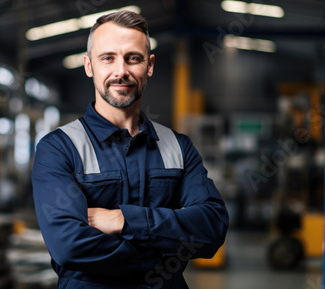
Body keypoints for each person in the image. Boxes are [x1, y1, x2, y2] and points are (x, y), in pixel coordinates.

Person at [32, 10, 229, 289]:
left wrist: (122, 220)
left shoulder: (178, 147)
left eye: (132, 58)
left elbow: (212, 227)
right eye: (108, 58)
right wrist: (164, 252)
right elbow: (69, 246)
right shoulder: (59, 148)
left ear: (149, 65)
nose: (121, 71)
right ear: (89, 66)